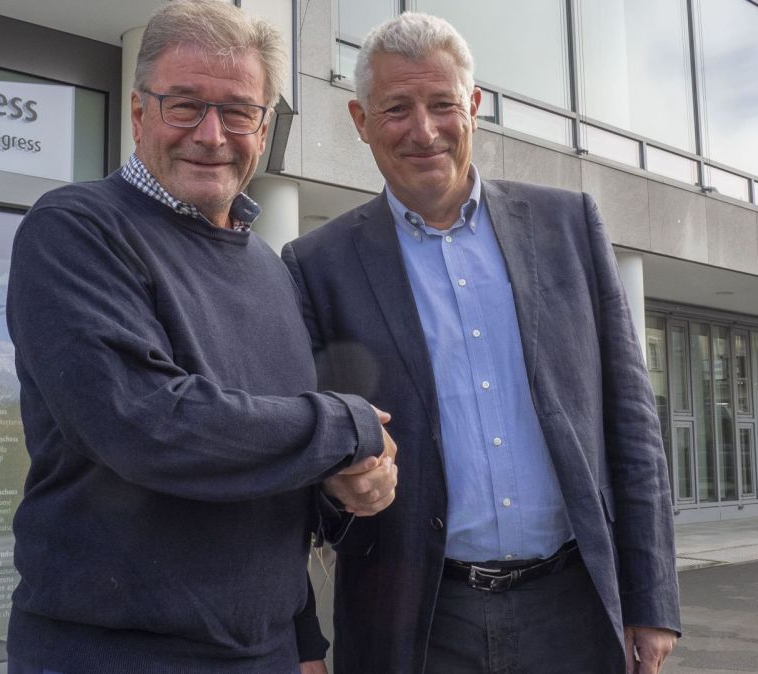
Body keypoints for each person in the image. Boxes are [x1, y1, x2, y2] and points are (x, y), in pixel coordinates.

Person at [282, 12, 681, 674]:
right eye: (397, 108)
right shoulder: (317, 266)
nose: (424, 130)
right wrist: (338, 488)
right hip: (414, 621)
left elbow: (631, 422)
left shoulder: (569, 226)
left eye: (442, 104)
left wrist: (652, 598)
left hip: (574, 608)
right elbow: (310, 455)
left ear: (473, 106)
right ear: (360, 120)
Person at [4, 2, 397, 672]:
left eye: (239, 111)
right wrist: (345, 428)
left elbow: (265, 463)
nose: (212, 135)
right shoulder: (75, 230)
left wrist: (339, 492)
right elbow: (144, 425)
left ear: (263, 130)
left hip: (267, 653)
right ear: (138, 113)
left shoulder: (271, 271)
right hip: (110, 653)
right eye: (184, 105)